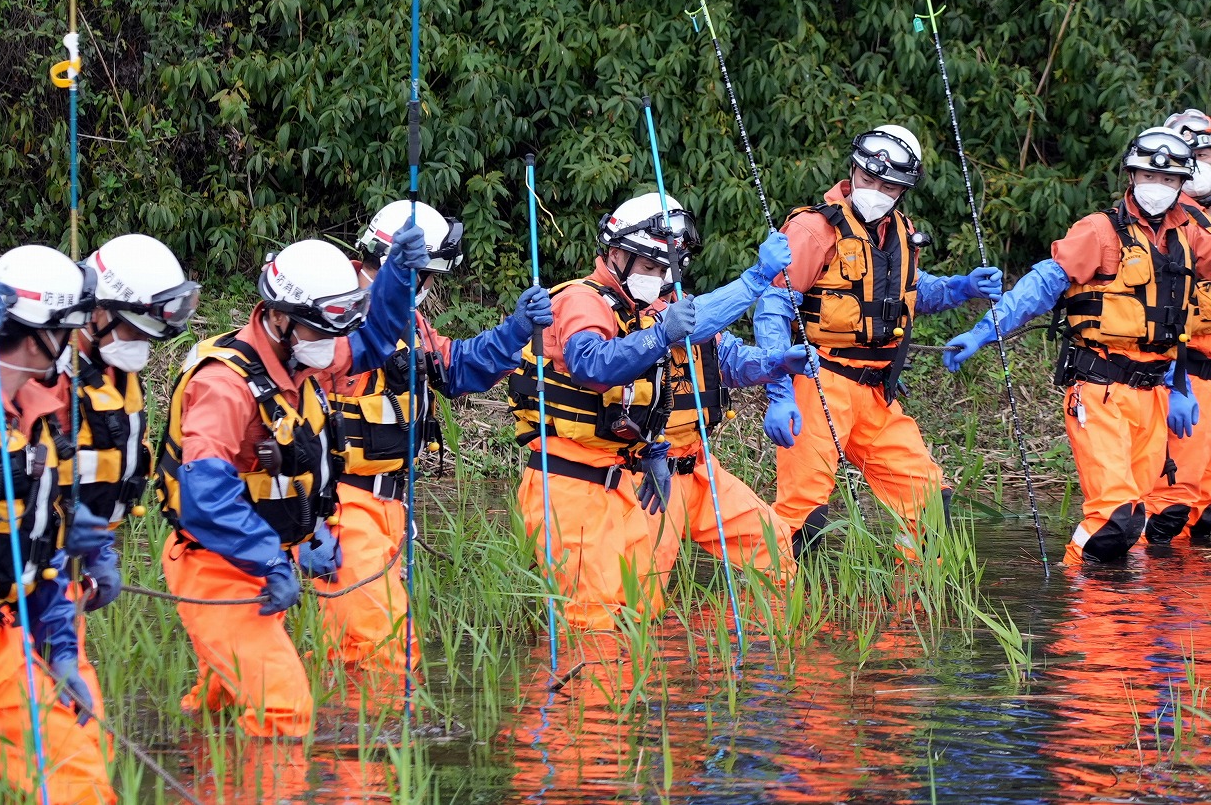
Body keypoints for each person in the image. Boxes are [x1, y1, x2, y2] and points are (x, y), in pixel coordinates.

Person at [155, 228, 426, 738]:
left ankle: (198, 759)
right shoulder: (224, 386)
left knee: (222, 705)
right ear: (280, 317)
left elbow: (370, 340)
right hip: (218, 563)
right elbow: (205, 494)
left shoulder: (303, 355)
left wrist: (397, 277)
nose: (333, 345)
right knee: (284, 709)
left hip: (261, 557)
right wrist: (271, 558)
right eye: (322, 330)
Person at [508, 192, 808, 633]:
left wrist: (777, 365)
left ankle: (728, 655)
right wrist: (669, 331)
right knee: (604, 616)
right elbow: (594, 365)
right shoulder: (583, 301)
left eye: (666, 270)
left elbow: (722, 359)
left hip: (675, 466)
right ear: (616, 254)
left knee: (770, 547)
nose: (660, 279)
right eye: (650, 268)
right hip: (581, 476)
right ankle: (595, 690)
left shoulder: (666, 309)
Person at [305, 200, 552, 678]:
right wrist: (306, 513)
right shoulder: (332, 311)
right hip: (341, 504)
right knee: (380, 648)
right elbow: (293, 412)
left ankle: (344, 739)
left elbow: (456, 368)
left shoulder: (410, 324)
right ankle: (367, 743)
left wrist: (515, 330)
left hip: (388, 505)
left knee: (355, 646)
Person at [944, 126, 1211, 564]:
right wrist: (983, 331)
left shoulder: (1188, 236)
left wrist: (1180, 384)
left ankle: (1127, 625)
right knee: (1115, 520)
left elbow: (1179, 318)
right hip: (1100, 388)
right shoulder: (1100, 231)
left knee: (1140, 524)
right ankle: (1079, 602)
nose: (1157, 188)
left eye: (1167, 180)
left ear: (1182, 186)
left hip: (1154, 395)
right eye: (1148, 176)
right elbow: (1040, 285)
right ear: (1131, 176)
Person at [754, 124, 1004, 558]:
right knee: (803, 516)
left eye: (888, 185)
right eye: (869, 179)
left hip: (876, 391)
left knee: (930, 506)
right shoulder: (815, 230)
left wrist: (963, 287)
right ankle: (777, 611)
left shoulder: (900, 233)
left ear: (902, 189)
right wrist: (779, 391)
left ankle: (911, 609)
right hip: (821, 381)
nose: (876, 190)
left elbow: (912, 291)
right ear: (853, 172)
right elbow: (773, 309)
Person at [0, 245, 114, 804]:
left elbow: (39, 554)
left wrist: (60, 647)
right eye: (68, 329)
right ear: (39, 335)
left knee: (81, 784)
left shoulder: (34, 420)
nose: (73, 344)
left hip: (9, 643)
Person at [53, 233, 199, 729]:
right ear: (95, 313)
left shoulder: (113, 371)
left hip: (62, 580)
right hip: (18, 574)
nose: (140, 347)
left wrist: (97, 554)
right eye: (133, 332)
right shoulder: (46, 375)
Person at [1144, 110, 1211, 542]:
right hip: (1181, 369)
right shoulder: (1169, 226)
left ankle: (1188, 603)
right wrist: (1175, 382)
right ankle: (1144, 603)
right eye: (1199, 153)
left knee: (1203, 514)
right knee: (1171, 508)